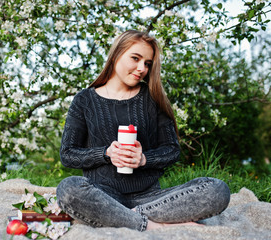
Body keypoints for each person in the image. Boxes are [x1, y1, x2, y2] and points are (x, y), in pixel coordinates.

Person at [56, 30, 230, 231]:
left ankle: (125, 218)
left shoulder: (152, 98)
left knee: (217, 190)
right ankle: (155, 226)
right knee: (68, 189)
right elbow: (68, 154)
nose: (142, 68)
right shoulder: (84, 100)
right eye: (135, 58)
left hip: (151, 198)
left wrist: (144, 159)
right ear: (116, 55)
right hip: (102, 195)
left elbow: (172, 150)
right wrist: (105, 153)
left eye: (147, 63)